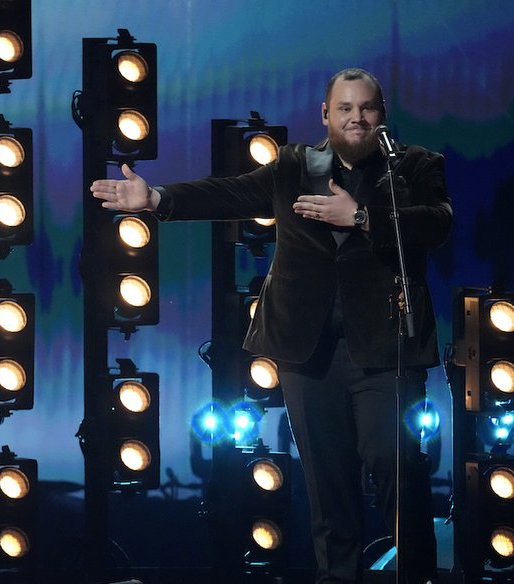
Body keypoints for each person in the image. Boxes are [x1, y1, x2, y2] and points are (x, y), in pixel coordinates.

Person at [91, 68, 451, 583]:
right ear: (325, 115)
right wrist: (157, 201)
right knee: (329, 486)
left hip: (385, 349)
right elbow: (231, 195)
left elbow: (438, 222)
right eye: (344, 108)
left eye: (366, 108)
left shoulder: (414, 166)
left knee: (395, 465)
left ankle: (415, 576)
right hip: (308, 351)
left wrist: (364, 217)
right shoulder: (293, 167)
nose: (356, 117)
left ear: (382, 116)